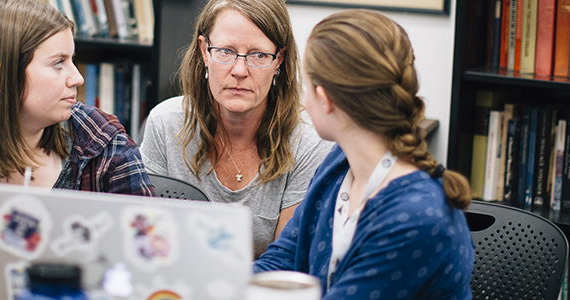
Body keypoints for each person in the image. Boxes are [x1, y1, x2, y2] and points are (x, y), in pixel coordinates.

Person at [253, 10, 475, 300]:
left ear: (325, 99)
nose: (303, 99)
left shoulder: (415, 214)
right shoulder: (339, 163)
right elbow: (282, 261)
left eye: (305, 86)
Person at [0, 0, 154, 262]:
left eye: (72, 60)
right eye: (58, 63)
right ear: (2, 78)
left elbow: (147, 260)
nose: (77, 78)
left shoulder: (106, 146)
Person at [139, 0, 332, 258]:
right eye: (225, 51)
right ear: (204, 51)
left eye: (259, 55)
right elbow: (147, 243)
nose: (239, 70)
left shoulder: (308, 140)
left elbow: (287, 260)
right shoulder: (165, 124)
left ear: (279, 60)